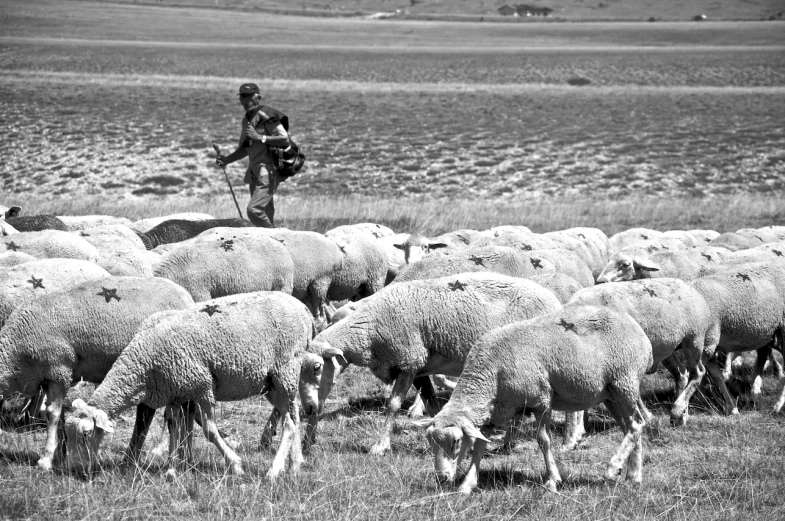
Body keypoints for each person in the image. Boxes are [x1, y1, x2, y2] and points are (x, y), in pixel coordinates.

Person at [215, 83, 290, 228]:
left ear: (258, 98)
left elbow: (284, 139)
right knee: (266, 212)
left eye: (249, 97)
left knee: (254, 210)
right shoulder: (246, 120)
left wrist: (259, 137)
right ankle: (272, 243)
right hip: (255, 172)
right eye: (243, 97)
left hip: (268, 171)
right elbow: (245, 148)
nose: (246, 100)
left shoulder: (267, 115)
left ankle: (274, 236)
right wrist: (227, 160)